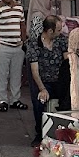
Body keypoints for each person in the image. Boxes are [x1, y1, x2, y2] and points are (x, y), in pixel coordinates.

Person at [27, 15, 70, 146]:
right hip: (43, 81)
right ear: (50, 31)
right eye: (58, 30)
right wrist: (42, 89)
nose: (60, 32)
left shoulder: (61, 41)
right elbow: (35, 71)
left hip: (60, 81)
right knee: (39, 101)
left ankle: (63, 130)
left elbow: (66, 61)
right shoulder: (34, 44)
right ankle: (39, 133)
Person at [0, 0, 27, 112]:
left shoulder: (19, 8)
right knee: (2, 75)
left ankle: (15, 99)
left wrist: (23, 41)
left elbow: (22, 25)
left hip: (18, 47)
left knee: (16, 75)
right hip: (4, 47)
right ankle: (3, 101)